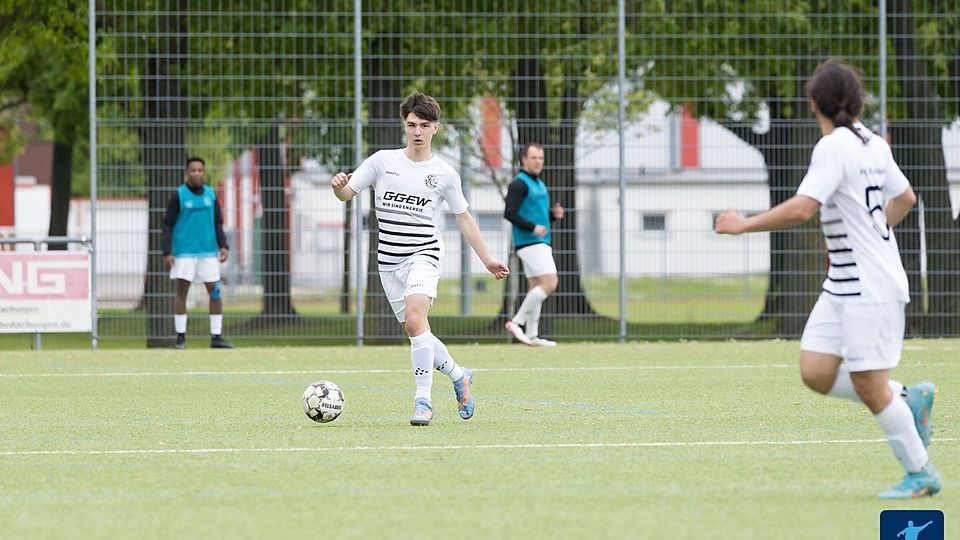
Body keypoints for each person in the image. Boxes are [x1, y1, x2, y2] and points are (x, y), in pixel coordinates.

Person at [715, 59, 940, 499]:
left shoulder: (836, 146)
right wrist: (871, 236)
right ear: (854, 101)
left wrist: (743, 224)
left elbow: (803, 207)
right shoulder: (872, 142)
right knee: (816, 371)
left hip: (869, 286)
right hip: (844, 283)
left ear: (814, 103)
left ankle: (921, 473)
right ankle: (908, 398)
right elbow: (906, 197)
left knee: (868, 386)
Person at [330, 92, 509, 426]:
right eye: (412, 124)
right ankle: (459, 375)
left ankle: (423, 402)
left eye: (424, 125)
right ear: (404, 125)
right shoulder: (382, 161)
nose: (417, 131)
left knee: (415, 317)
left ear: (435, 128)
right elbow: (346, 193)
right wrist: (338, 186)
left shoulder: (444, 173)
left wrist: (487, 259)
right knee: (417, 330)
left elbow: (464, 217)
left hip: (423, 255)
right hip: (389, 263)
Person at [161, 157, 234, 350]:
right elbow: (167, 225)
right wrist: (167, 251)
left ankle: (216, 336)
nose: (196, 173)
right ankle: (180, 337)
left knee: (215, 292)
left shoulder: (211, 194)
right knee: (181, 293)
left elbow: (218, 222)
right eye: (193, 170)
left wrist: (223, 245)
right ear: (187, 172)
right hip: (184, 253)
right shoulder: (179, 195)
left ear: (204, 172)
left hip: (208, 252)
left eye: (200, 170)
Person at [503, 143, 564, 347]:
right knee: (550, 283)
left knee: (536, 287)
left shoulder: (538, 183)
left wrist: (552, 217)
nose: (538, 161)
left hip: (538, 240)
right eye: (534, 157)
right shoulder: (519, 184)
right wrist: (532, 227)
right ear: (524, 160)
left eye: (541, 158)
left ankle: (531, 334)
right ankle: (517, 322)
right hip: (530, 242)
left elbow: (537, 217)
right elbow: (510, 212)